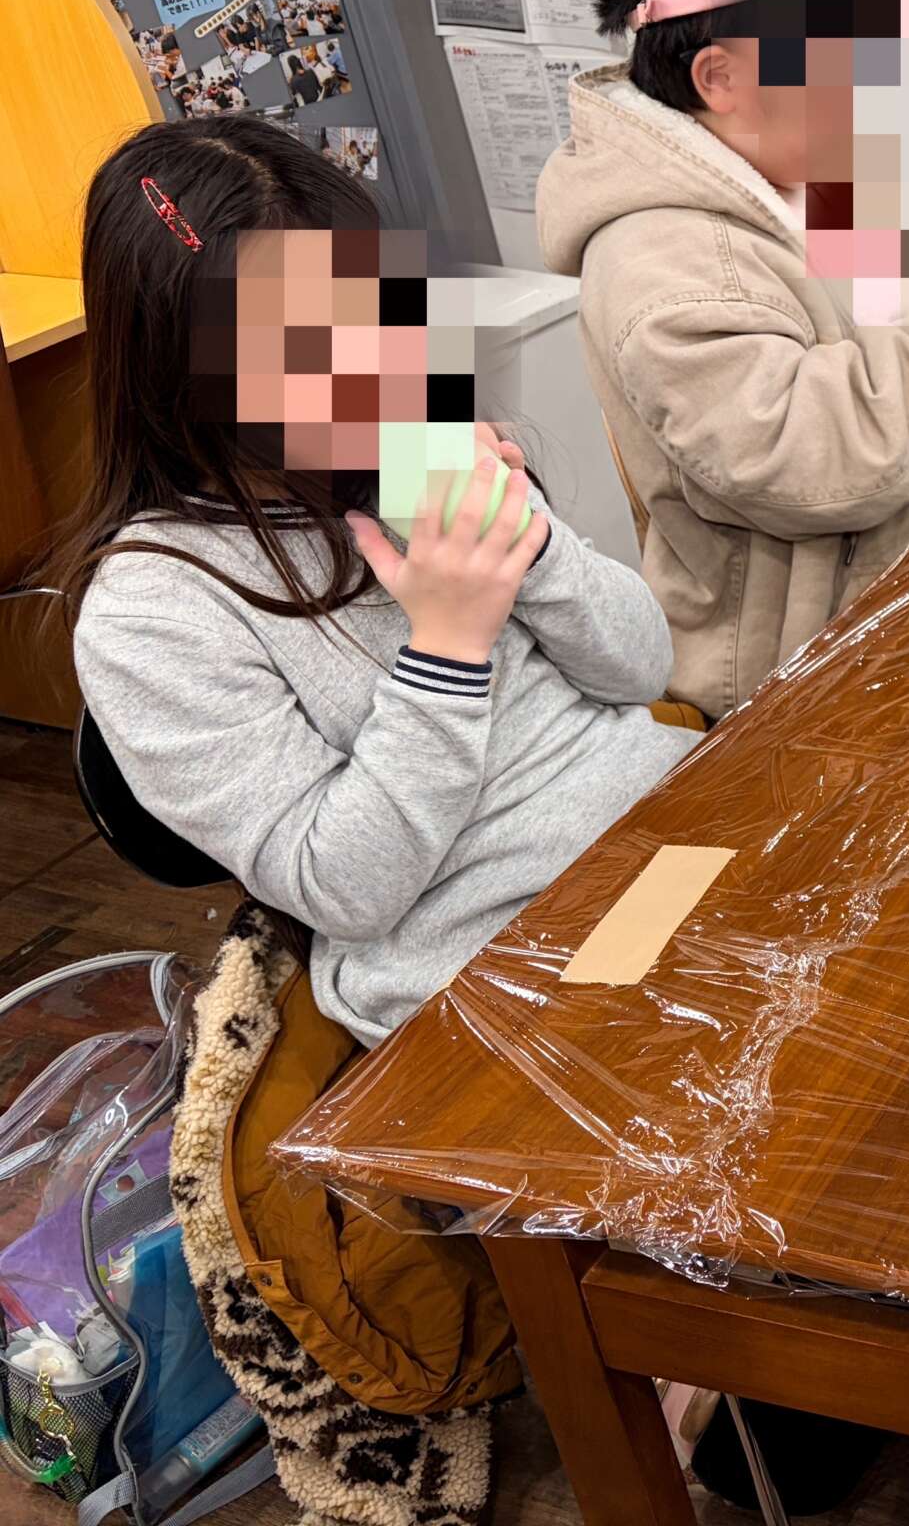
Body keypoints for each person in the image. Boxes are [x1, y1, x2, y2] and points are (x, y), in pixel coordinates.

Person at [54, 118, 697, 1045]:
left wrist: (529, 546)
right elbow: (343, 888)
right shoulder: (153, 612)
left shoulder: (409, 449)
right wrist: (449, 647)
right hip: (508, 960)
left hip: (668, 830)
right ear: (180, 367)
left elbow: (638, 669)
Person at [540, 0, 909, 719]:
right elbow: (807, 463)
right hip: (820, 649)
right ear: (720, 76)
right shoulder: (662, 262)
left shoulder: (785, 159)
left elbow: (868, 315)